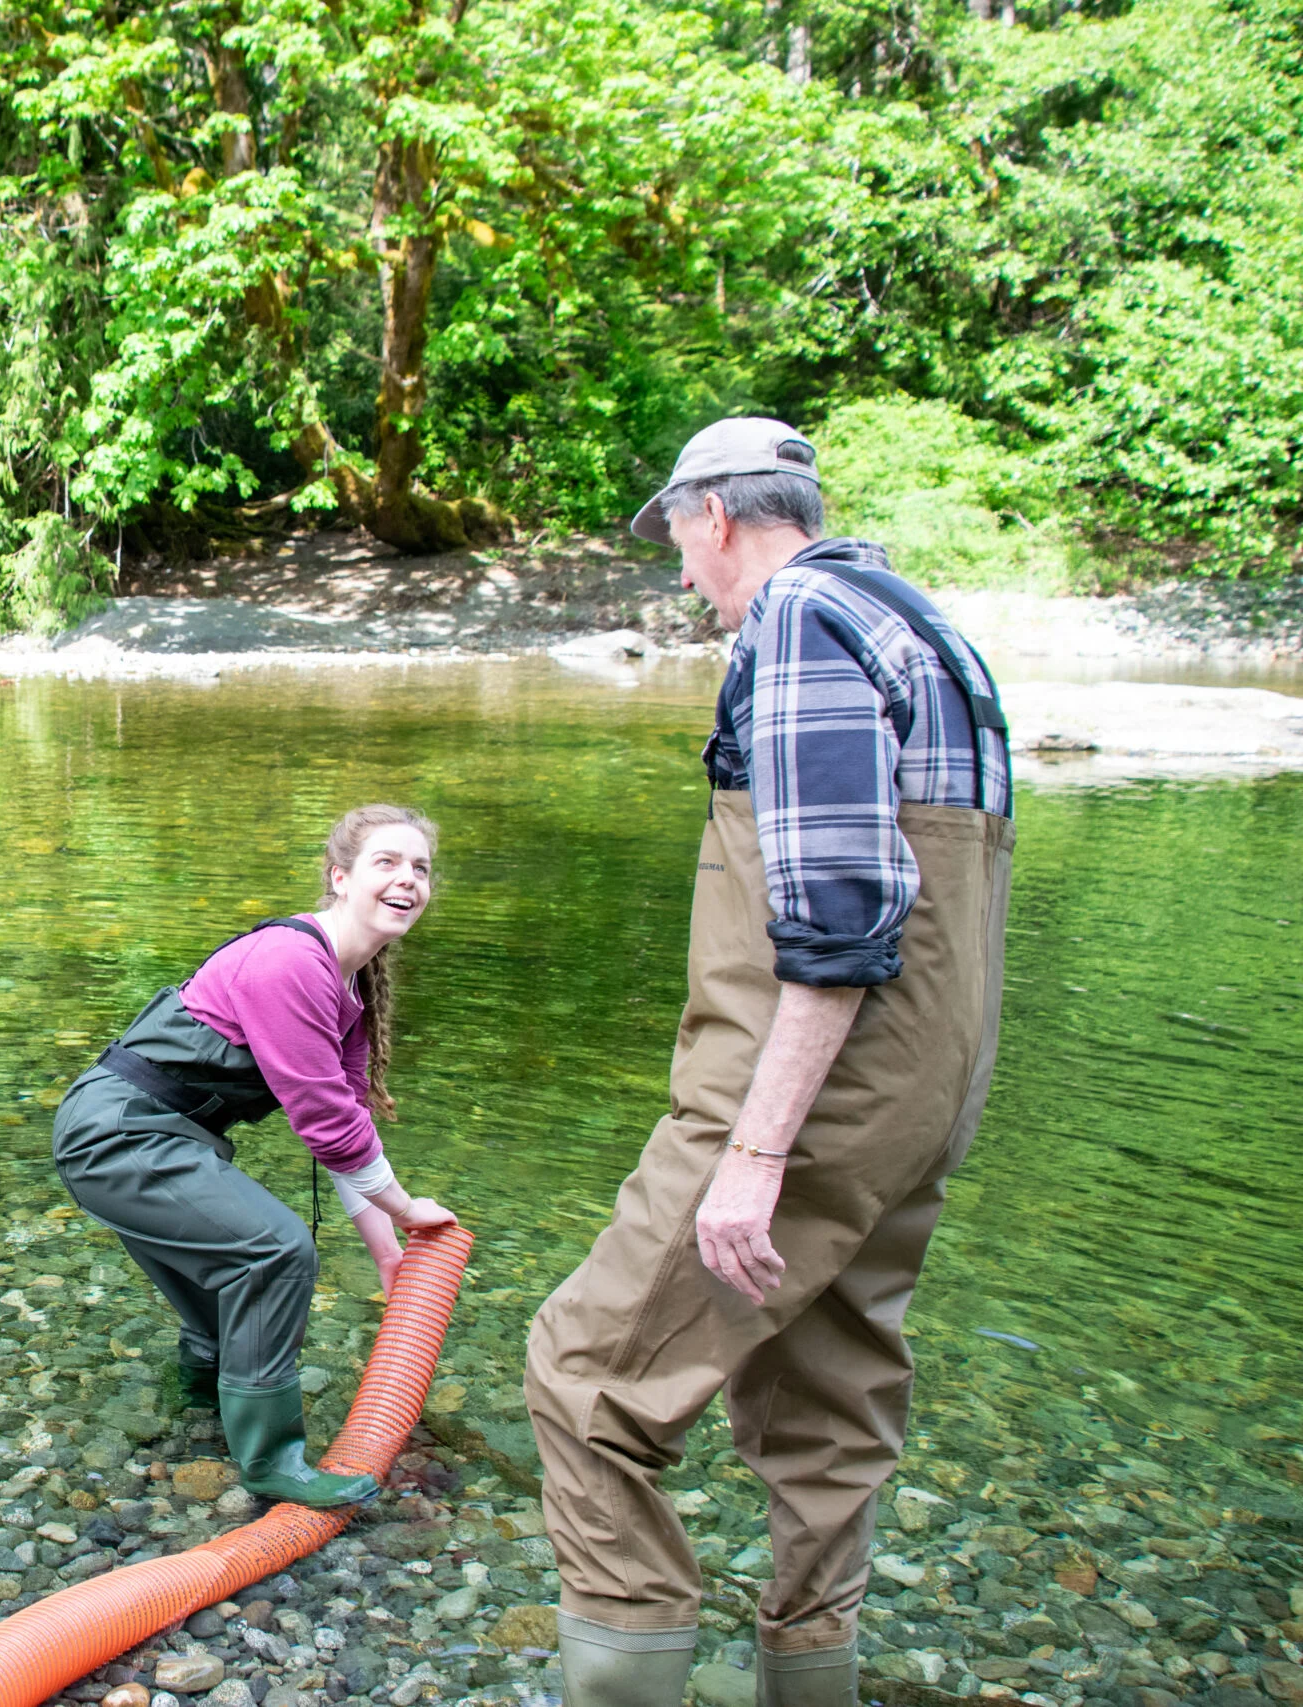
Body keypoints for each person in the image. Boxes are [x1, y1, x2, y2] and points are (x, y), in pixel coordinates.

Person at [525, 420, 1015, 1707]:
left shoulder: (797, 618)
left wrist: (754, 1152)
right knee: (827, 1414)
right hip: (922, 1099)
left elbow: (838, 908)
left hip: (806, 1098)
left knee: (585, 1380)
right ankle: (810, 1682)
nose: (681, 574)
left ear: (720, 518)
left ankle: (626, 1681)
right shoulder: (925, 624)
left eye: (678, 539)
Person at [52, 804, 460, 1508]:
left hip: (157, 1139)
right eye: (387, 862)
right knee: (275, 1252)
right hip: (119, 1137)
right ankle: (273, 1463)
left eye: (419, 867)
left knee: (224, 1300)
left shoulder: (349, 986)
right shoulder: (290, 960)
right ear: (340, 877)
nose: (408, 880)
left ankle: (199, 1415)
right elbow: (325, 1123)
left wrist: (389, 1253)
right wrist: (405, 1204)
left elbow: (349, 1130)